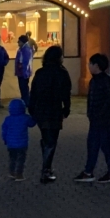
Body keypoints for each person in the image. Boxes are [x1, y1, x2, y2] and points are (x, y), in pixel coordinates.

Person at [28, 45, 72, 184]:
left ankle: (47, 167)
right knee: (52, 140)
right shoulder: (62, 73)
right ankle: (46, 170)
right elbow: (66, 93)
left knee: (47, 138)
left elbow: (33, 92)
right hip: (54, 110)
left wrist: (32, 108)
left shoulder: (41, 72)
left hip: (41, 110)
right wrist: (67, 108)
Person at [74, 53, 110, 183]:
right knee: (93, 145)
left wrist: (100, 113)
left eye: (90, 63)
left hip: (103, 120)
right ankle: (89, 171)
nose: (88, 66)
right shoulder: (94, 80)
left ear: (97, 66)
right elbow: (91, 100)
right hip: (95, 119)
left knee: (106, 145)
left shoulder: (106, 81)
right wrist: (90, 113)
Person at [0, 98, 35, 181]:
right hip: (22, 144)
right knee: (21, 159)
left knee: (12, 159)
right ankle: (19, 174)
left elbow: (4, 131)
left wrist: (5, 139)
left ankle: (11, 172)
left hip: (11, 144)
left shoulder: (8, 119)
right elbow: (32, 124)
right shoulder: (25, 118)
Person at [14, 35, 33, 103]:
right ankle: (25, 100)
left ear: (22, 42)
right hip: (22, 71)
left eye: (19, 41)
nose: (18, 43)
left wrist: (24, 71)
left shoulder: (26, 49)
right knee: (23, 87)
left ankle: (26, 101)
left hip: (23, 72)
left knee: (23, 87)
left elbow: (26, 62)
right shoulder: (23, 49)